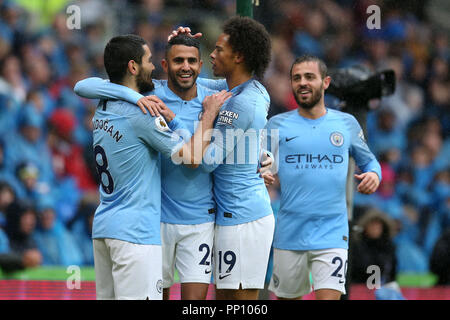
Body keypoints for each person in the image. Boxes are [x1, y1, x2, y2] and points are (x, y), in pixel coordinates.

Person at [82, 34, 229, 300]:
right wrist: (207, 115)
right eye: (149, 60)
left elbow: (82, 86)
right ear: (133, 67)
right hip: (136, 232)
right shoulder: (145, 114)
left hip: (105, 225)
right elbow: (194, 157)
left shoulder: (104, 104)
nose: (153, 68)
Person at [170, 17, 275, 300]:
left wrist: (189, 119)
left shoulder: (241, 103)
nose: (211, 55)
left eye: (218, 50)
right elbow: (187, 81)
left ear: (238, 56)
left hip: (242, 218)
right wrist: (177, 49)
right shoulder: (240, 89)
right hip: (234, 215)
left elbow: (207, 161)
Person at [263, 55, 382, 300]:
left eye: (309, 77)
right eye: (296, 78)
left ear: (325, 82)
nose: (302, 83)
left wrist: (373, 175)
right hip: (290, 232)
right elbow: (261, 163)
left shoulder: (346, 124)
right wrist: (262, 172)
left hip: (332, 232)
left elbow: (369, 161)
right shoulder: (276, 125)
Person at [350, 208, 397, 285]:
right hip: (358, 289)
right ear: (365, 227)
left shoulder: (388, 248)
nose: (375, 229)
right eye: (372, 225)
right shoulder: (356, 247)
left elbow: (392, 273)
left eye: (378, 226)